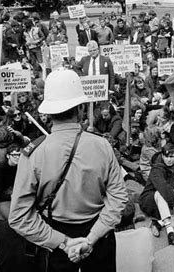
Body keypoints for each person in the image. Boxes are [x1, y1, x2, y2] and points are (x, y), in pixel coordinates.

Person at [9, 69, 128, 271]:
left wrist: (63, 242)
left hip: (54, 238)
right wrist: (91, 238)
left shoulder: (34, 153)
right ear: (80, 109)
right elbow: (118, 198)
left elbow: (19, 216)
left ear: (48, 112)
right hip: (99, 234)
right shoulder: (102, 146)